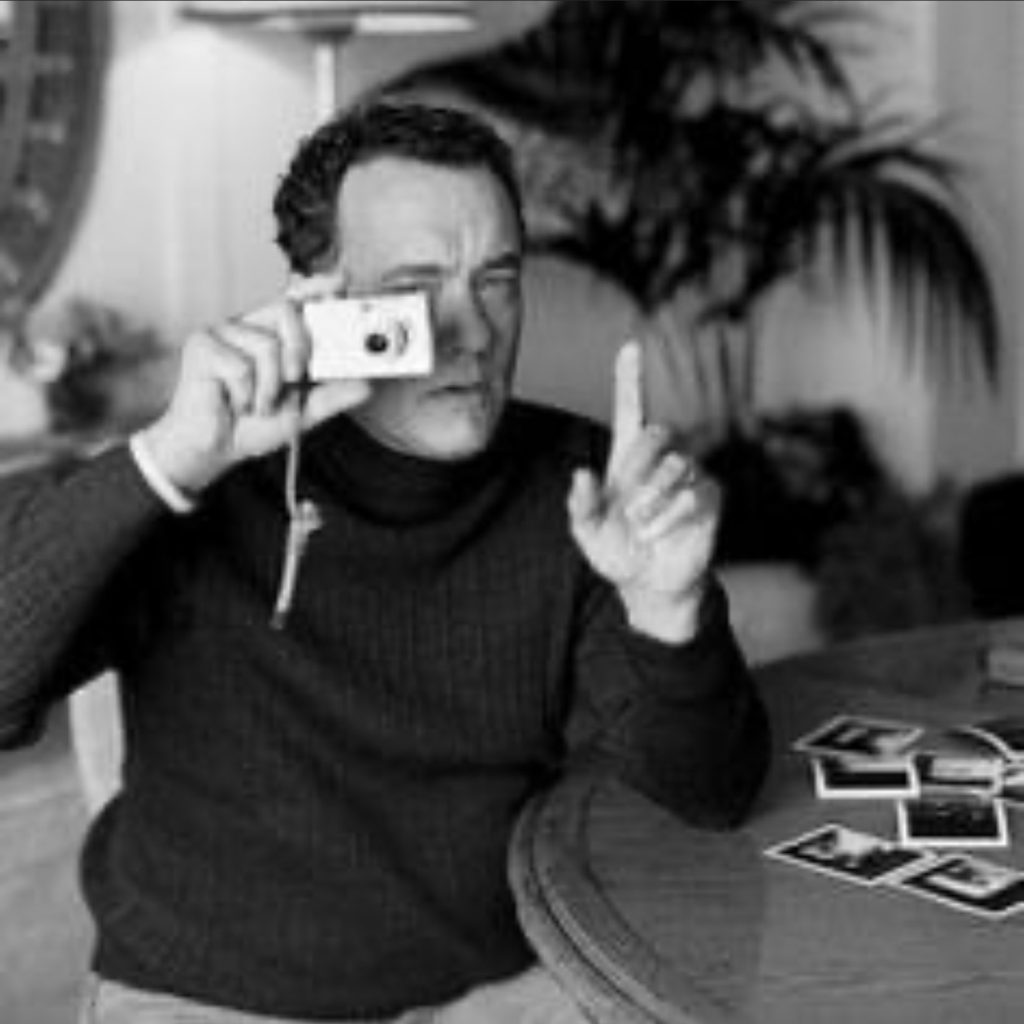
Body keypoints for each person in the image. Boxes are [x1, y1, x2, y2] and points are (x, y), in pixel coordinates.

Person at [0, 101, 770, 1023]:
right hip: (216, 996)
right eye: (417, 285)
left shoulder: (584, 490)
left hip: (505, 985)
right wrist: (165, 461)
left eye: (496, 280)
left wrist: (670, 613)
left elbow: (713, 795)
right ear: (315, 302)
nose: (473, 333)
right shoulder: (201, 476)